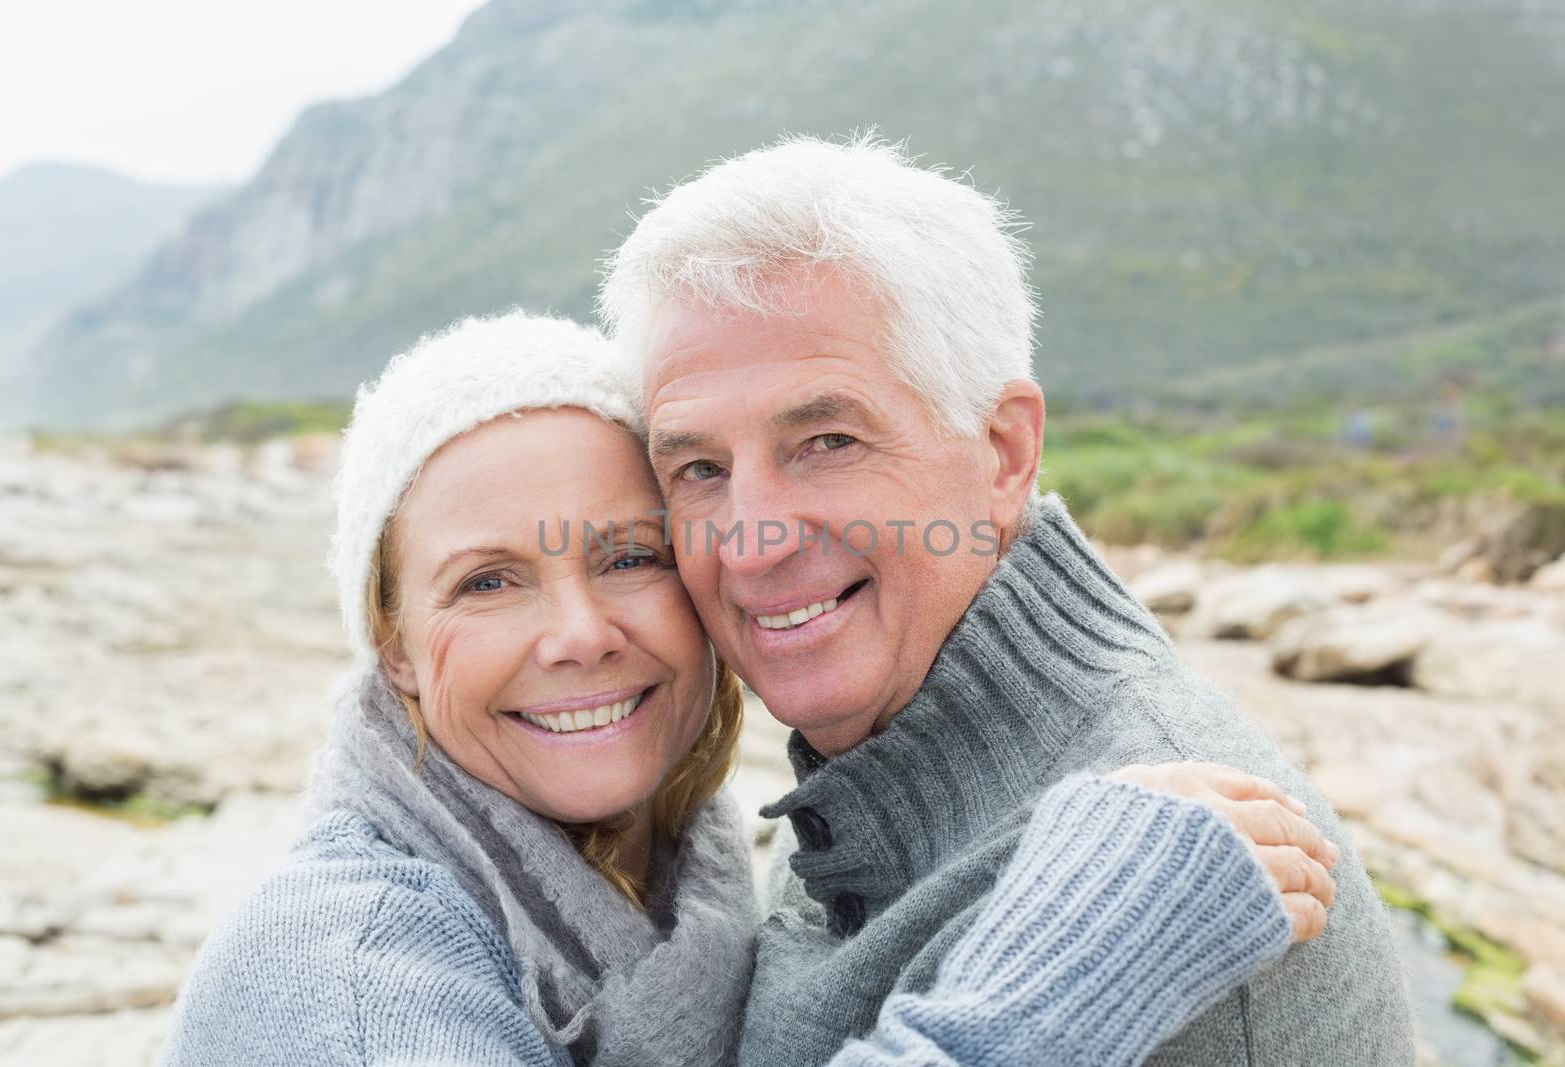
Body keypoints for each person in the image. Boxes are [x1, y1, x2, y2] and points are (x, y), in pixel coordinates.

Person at [159, 312, 1334, 1066]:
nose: (577, 634)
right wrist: (1063, 979)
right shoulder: (351, 982)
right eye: (486, 581)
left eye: (628, 556)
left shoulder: (689, 880)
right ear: (396, 645)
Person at [599, 135, 1417, 1064]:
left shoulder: (1169, 889)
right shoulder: (876, 755)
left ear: (1003, 453)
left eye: (827, 440)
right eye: (700, 468)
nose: (751, 540)